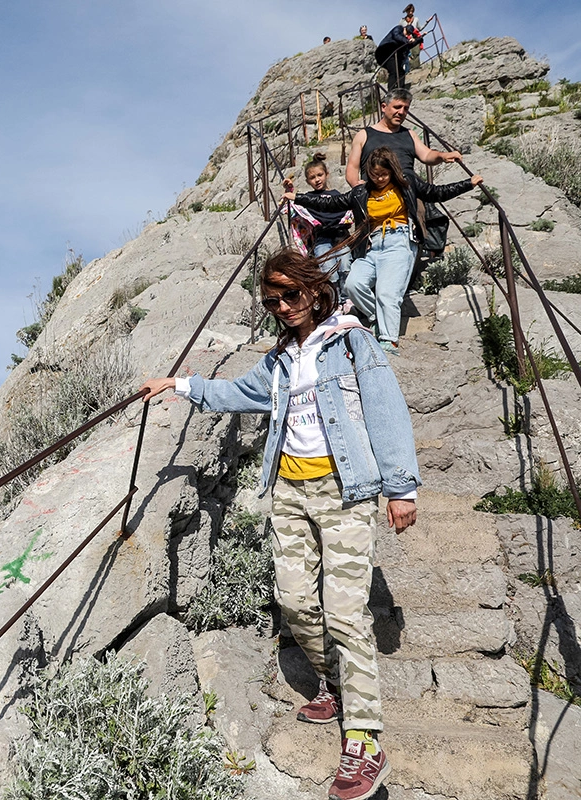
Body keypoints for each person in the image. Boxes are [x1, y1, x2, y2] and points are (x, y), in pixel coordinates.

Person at [140, 248, 419, 800]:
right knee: (294, 602)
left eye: (292, 294)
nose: (285, 307)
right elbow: (236, 393)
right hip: (289, 493)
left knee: (344, 613)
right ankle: (338, 684)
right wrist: (180, 385)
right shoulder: (279, 361)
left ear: (315, 290)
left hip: (346, 491)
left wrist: (400, 487)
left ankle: (365, 740)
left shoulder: (351, 342)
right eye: (274, 300)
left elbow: (386, 408)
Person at [285, 146, 483, 353]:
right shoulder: (361, 192)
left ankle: (389, 341)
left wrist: (468, 184)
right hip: (372, 245)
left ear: (392, 170)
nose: (380, 179)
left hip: (400, 242)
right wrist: (298, 198)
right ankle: (376, 317)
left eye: (384, 174)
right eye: (375, 174)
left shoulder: (406, 183)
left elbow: (435, 193)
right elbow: (332, 203)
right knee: (354, 284)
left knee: (387, 293)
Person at [346, 88, 462, 187]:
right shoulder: (364, 135)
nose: (401, 112)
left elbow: (427, 155)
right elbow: (352, 167)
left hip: (407, 194)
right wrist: (357, 186)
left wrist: (443, 155)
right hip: (375, 197)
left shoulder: (409, 134)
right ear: (383, 107)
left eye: (406, 108)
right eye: (397, 107)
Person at [283, 153, 353, 294]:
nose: (317, 180)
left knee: (345, 264)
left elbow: (348, 207)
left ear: (327, 174)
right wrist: (289, 190)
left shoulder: (336, 194)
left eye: (319, 175)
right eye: (312, 178)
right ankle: (335, 301)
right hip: (322, 238)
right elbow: (293, 207)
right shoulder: (308, 197)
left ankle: (347, 299)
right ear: (308, 181)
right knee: (327, 270)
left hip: (341, 235)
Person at [374, 24, 421, 90]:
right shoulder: (398, 28)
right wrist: (407, 41)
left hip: (393, 55)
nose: (407, 35)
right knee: (394, 71)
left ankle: (401, 89)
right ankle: (391, 91)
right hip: (385, 52)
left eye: (409, 34)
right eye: (407, 32)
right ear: (404, 28)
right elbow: (396, 36)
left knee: (401, 72)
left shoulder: (403, 39)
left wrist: (419, 39)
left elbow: (407, 46)